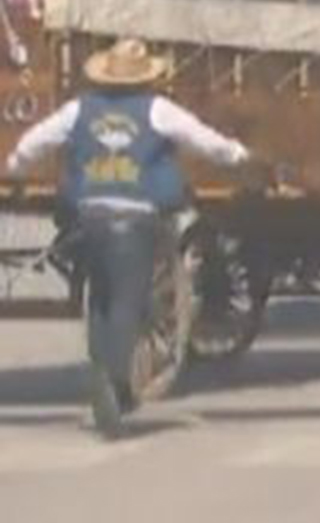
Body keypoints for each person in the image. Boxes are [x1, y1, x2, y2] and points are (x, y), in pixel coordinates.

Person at [4, 38, 252, 429]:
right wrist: (237, 154)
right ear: (145, 78)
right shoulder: (157, 110)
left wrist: (16, 166)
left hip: (88, 216)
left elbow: (34, 142)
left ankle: (103, 373)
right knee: (128, 301)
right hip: (137, 219)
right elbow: (204, 140)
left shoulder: (79, 109)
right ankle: (115, 381)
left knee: (100, 299)